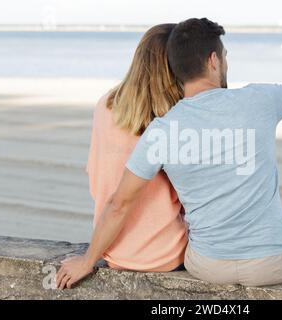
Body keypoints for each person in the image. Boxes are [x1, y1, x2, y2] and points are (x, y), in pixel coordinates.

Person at [56, 18, 282, 288]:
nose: (227, 63)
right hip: (272, 264)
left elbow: (118, 203)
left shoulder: (160, 129)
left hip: (206, 265)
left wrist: (87, 261)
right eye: (225, 56)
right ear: (213, 61)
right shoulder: (258, 100)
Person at [56, 24, 188, 289]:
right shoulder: (174, 117)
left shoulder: (106, 104)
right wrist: (86, 261)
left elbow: (96, 177)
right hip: (166, 255)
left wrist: (91, 256)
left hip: (115, 251)